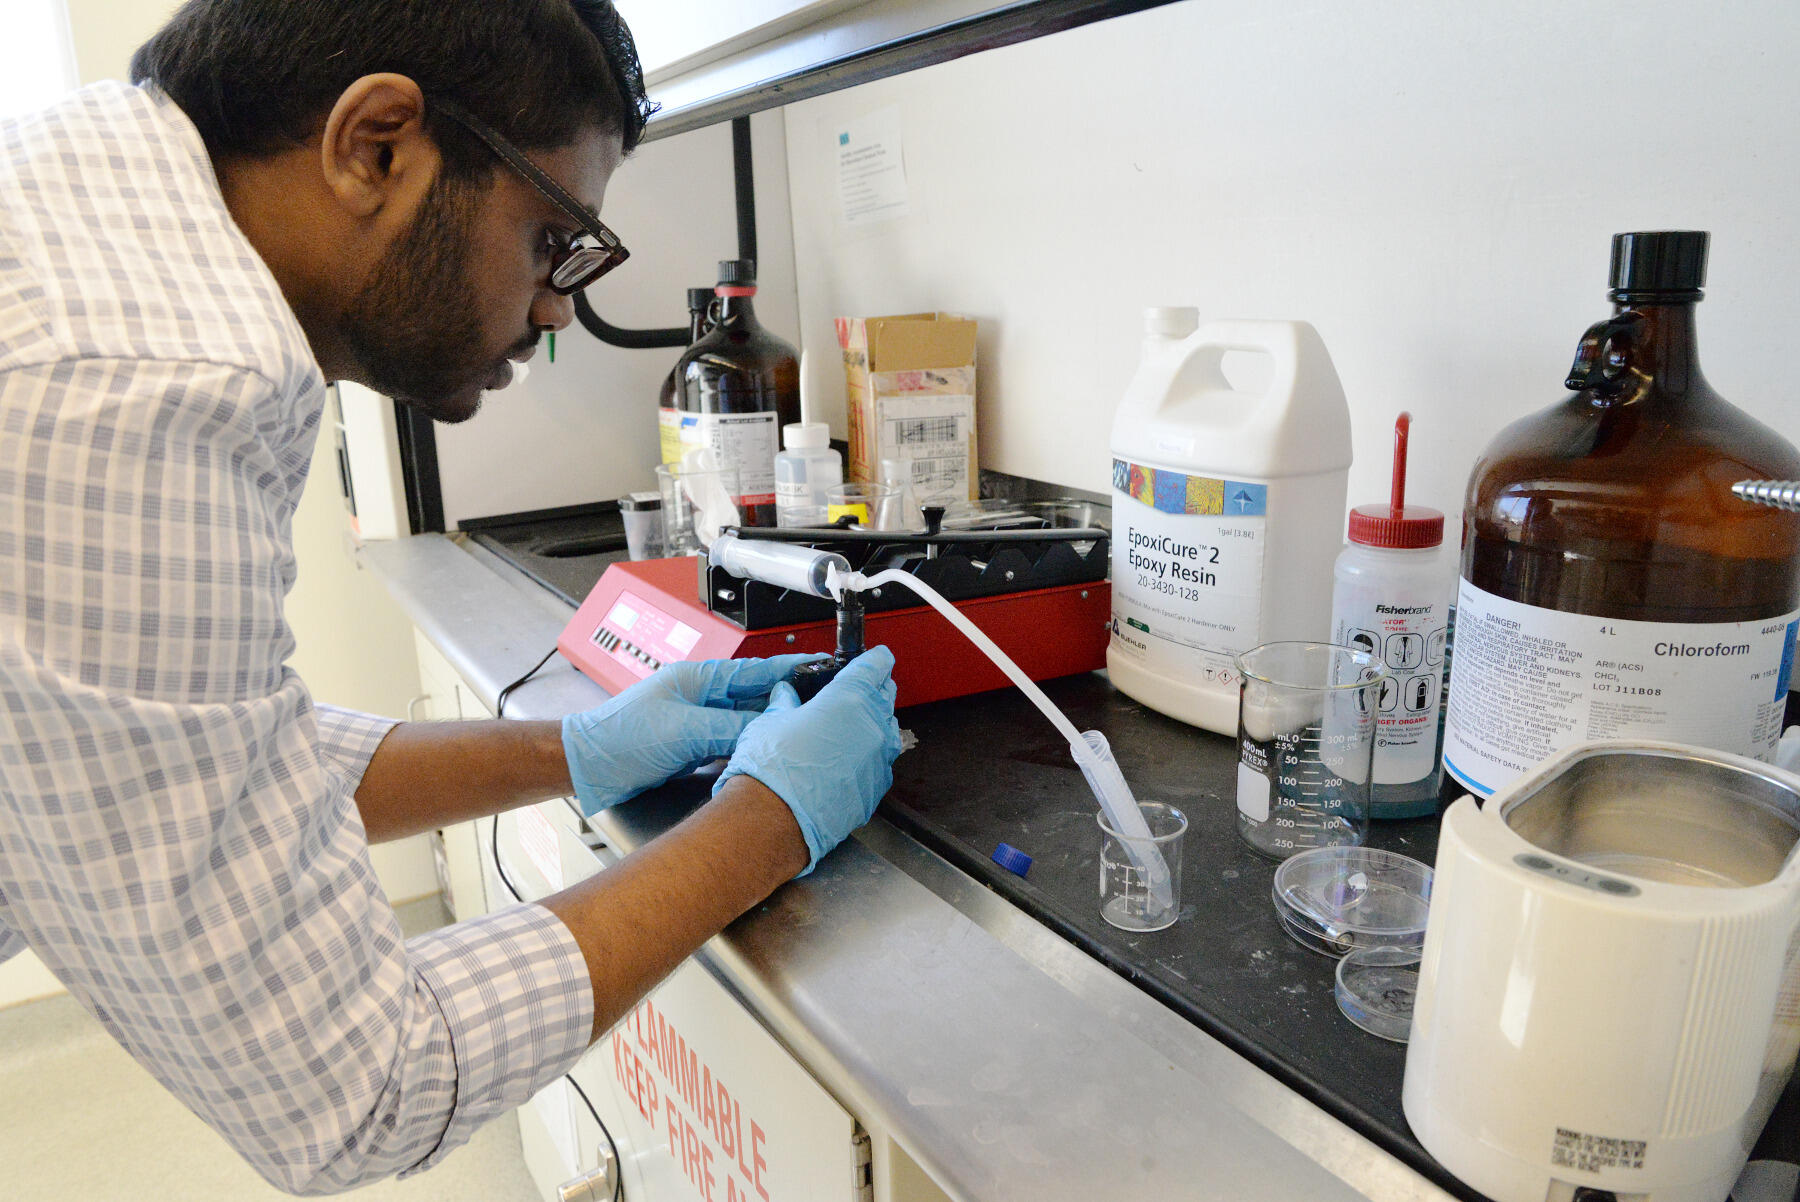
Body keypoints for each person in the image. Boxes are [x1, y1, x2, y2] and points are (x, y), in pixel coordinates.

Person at [0, 0, 901, 1193]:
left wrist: (574, 749)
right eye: (551, 238)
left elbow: (170, 758)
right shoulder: (131, 392)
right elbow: (361, 1087)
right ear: (375, 145)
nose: (556, 307)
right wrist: (767, 822)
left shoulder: (93, 239)